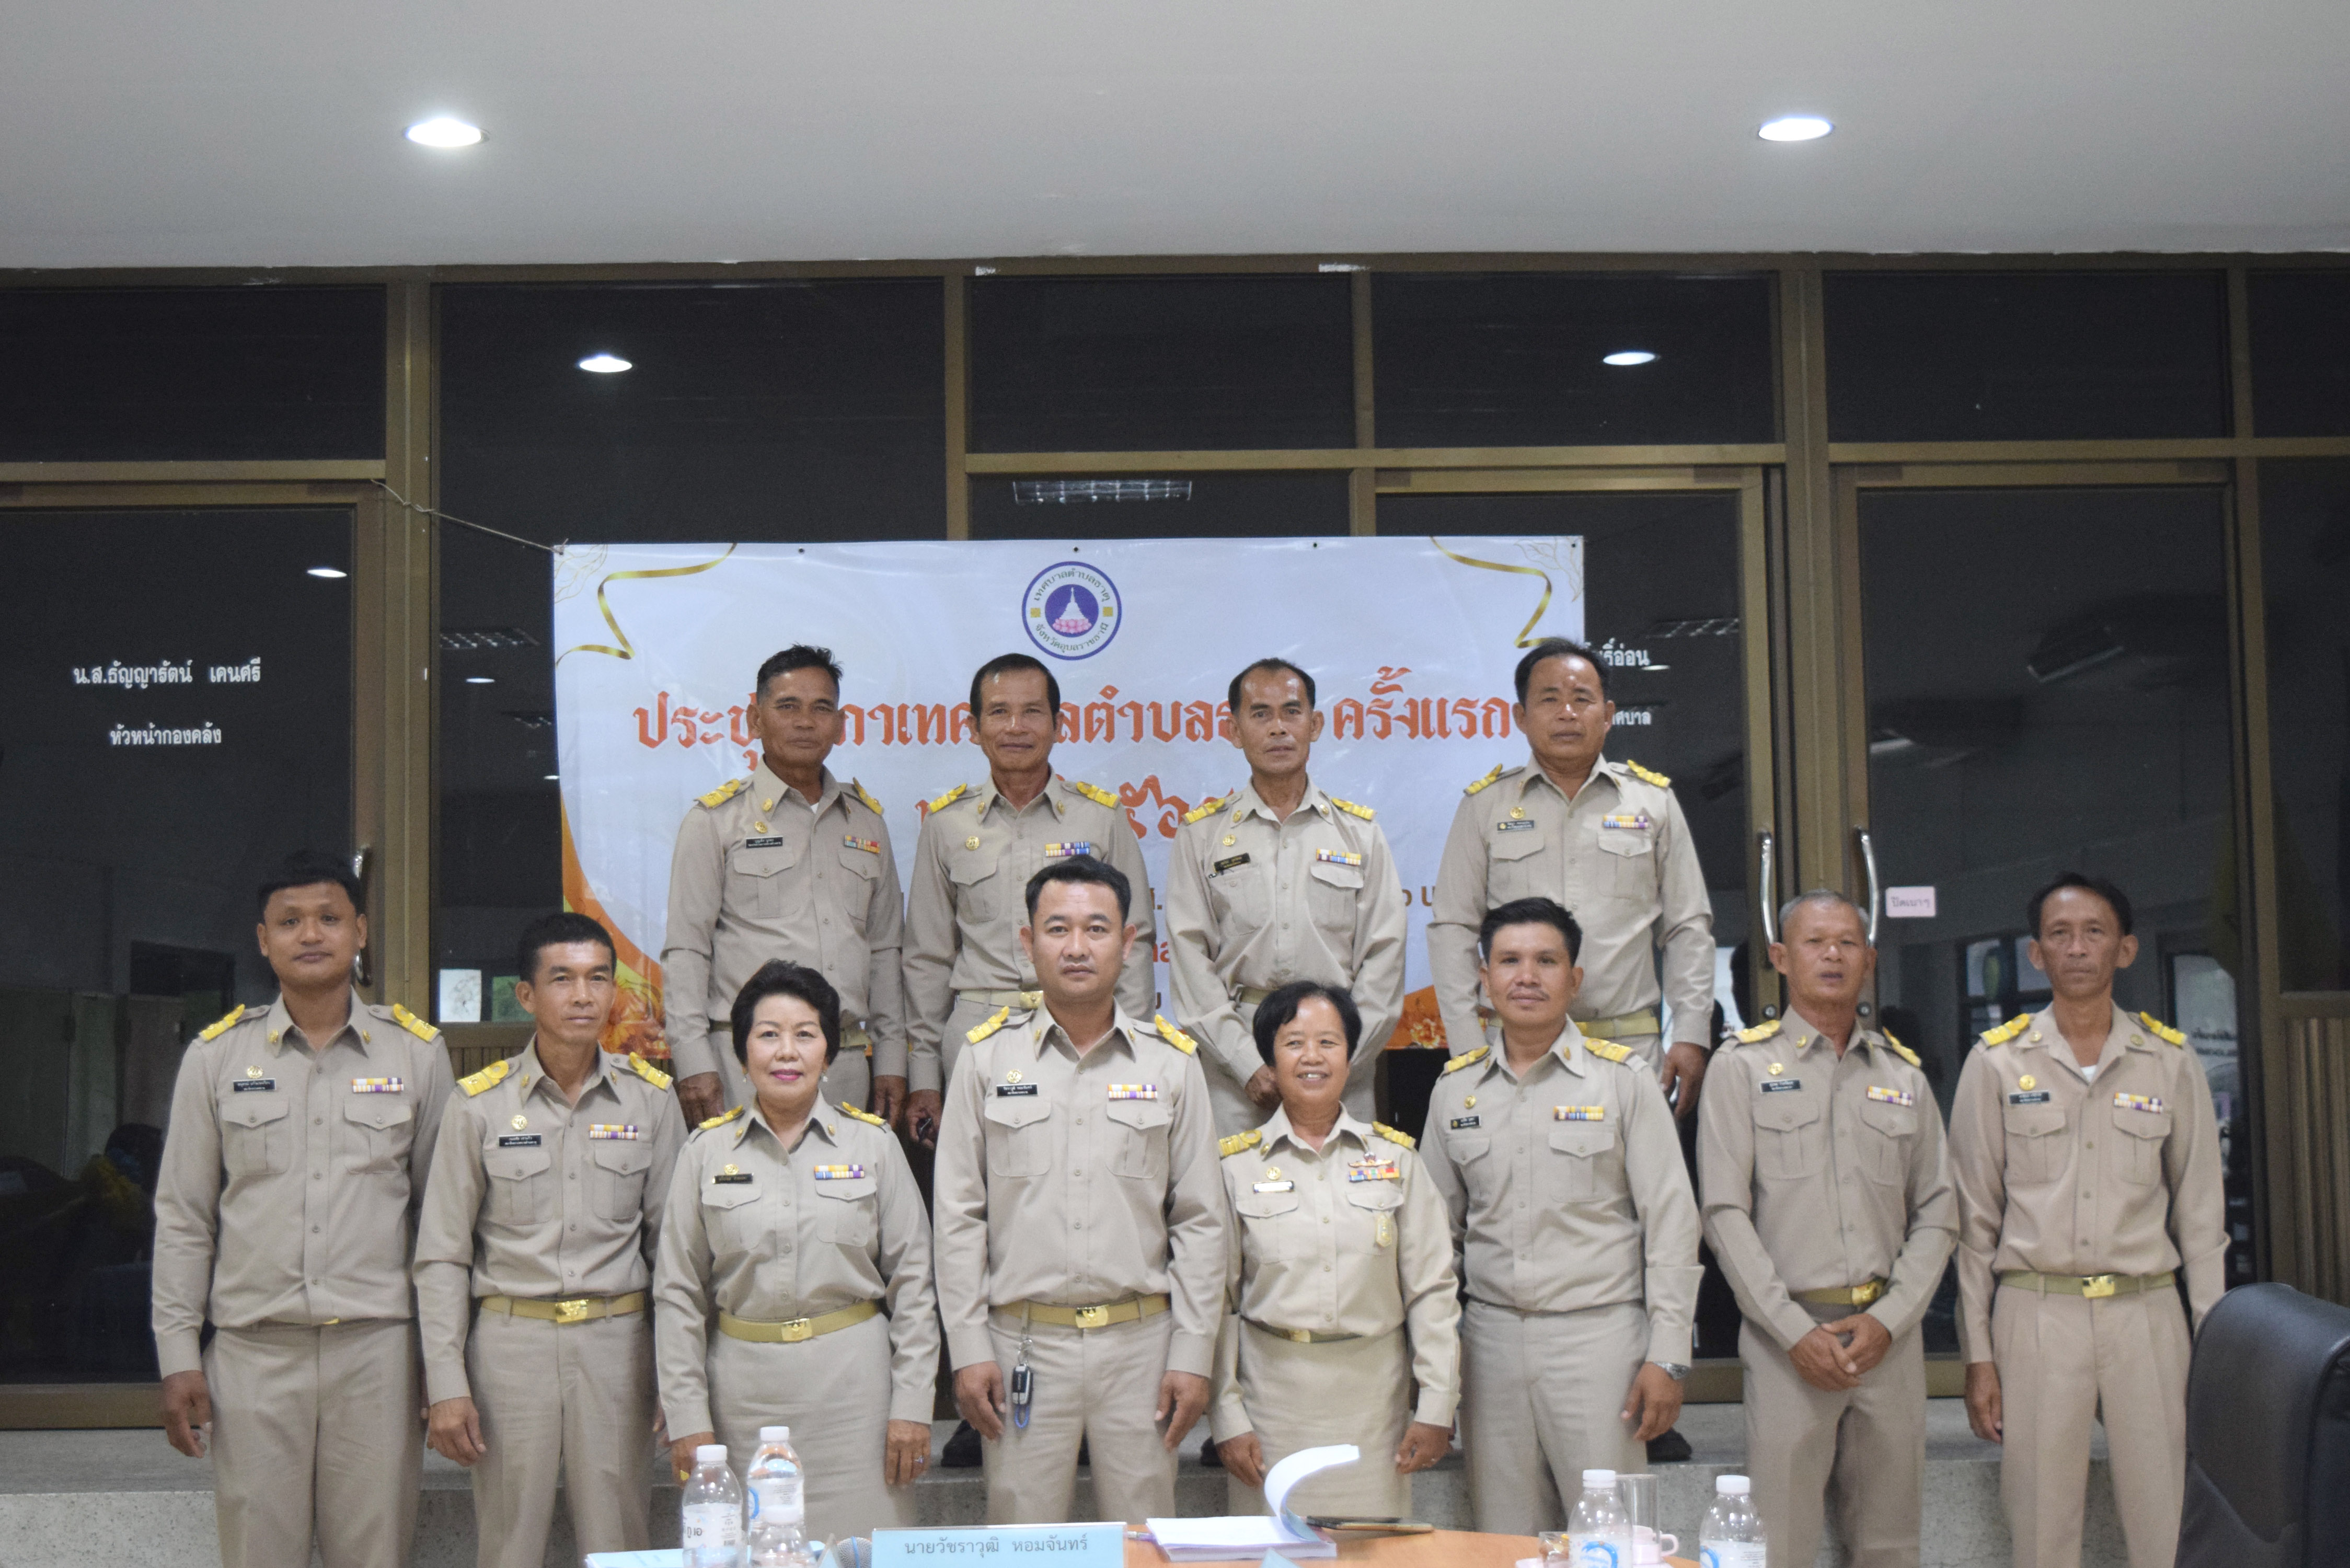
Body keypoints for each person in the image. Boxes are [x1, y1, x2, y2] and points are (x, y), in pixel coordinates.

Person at [151, 850, 454, 1568]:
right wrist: (178, 1355)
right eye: (290, 922)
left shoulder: (417, 1056)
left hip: (378, 1355)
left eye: (328, 918)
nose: (311, 934)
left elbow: (442, 1228)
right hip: (254, 1355)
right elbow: (185, 1219)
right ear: (264, 940)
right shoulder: (215, 1059)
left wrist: (443, 1367)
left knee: (375, 1554)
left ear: (361, 932)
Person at [931, 856, 1226, 1525]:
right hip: (1021, 1344)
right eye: (1057, 929)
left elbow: (1201, 1221)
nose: (1075, 947)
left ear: (1128, 944)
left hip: (1142, 1348)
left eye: (1096, 929)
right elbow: (957, 1216)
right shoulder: (984, 1059)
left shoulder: (1171, 1064)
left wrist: (1192, 1352)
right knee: (1022, 1544)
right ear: (1027, 941)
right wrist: (968, 1346)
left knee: (1145, 1538)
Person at [1950, 873, 2227, 1568]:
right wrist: (1978, 1355)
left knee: (2166, 1525)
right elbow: (1972, 1225)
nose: (2077, 948)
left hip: (2146, 1314)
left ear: (2124, 950)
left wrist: (2213, 1348)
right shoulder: (1995, 1063)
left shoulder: (2169, 1060)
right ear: (2035, 953)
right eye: (2059, 934)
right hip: (2038, 1315)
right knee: (2041, 1531)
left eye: (2094, 933)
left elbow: (2201, 1221)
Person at [412, 912, 687, 1568]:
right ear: (527, 995)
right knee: (509, 1544)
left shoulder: (650, 1101)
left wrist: (680, 1380)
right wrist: (446, 1382)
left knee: (620, 1543)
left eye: (598, 978)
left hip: (617, 1347)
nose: (583, 996)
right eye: (562, 979)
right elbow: (442, 1256)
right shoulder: (477, 1106)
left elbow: (676, 1258)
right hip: (512, 1348)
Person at [1420, 896, 1701, 1535]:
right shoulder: (1454, 1091)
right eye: (1509, 961)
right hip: (1489, 1346)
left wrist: (1668, 1355)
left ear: (1574, 980)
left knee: (1611, 1541)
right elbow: (1431, 1244)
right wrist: (1433, 1364)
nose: (1526, 976)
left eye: (1546, 961)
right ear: (1483, 978)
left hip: (1600, 1343)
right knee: (1504, 1541)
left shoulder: (1623, 1081)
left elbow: (1671, 1224)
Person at [1698, 891, 1955, 1568]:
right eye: (1814, 942)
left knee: (1890, 1546)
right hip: (1786, 1342)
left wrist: (1889, 1320)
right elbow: (1723, 1213)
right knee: (1780, 1546)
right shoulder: (1740, 1069)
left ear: (1869, 960)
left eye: (1846, 943)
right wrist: (1792, 1331)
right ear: (1781, 958)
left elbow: (1938, 1210)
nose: (1832, 955)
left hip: (1886, 1342)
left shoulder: (1903, 1075)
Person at [655, 960, 940, 1541]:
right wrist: (688, 1417)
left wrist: (912, 1404)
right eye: (768, 1034)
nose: (787, 1051)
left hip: (855, 1399)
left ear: (828, 1054)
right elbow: (678, 1295)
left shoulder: (873, 1146)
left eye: (805, 1034)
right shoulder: (705, 1153)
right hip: (741, 1401)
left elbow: (914, 1283)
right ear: (741, 1055)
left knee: (860, 1552)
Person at [1427, 637, 1714, 1115]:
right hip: (1514, 1050)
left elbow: (1688, 927)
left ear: (1608, 714)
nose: (1567, 713)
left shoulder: (1653, 803)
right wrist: (1467, 1045)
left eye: (1582, 699)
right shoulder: (1485, 807)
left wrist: (1690, 1034)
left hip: (1627, 1048)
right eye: (1549, 699)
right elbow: (1453, 929)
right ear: (1521, 717)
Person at [1209, 981, 1458, 1518]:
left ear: (1350, 1057)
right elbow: (1217, 1304)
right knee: (1272, 1551)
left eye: (1328, 1042)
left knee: (1373, 1551)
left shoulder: (1398, 1162)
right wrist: (1226, 1415)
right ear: (1269, 1062)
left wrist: (1437, 1404)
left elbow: (1432, 1293)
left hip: (1376, 1410)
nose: (1312, 1057)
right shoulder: (1234, 1169)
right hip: (1271, 1407)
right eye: (1293, 1043)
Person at [902, 652, 1158, 1144]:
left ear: (1059, 725)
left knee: (1087, 1169)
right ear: (974, 727)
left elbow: (1135, 944)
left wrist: (1135, 1050)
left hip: (1084, 1028)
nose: (1016, 727)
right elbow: (927, 959)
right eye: (999, 712)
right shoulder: (946, 824)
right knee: (979, 1178)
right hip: (979, 1032)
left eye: (1032, 712)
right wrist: (924, 1078)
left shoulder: (1100, 818)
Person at [662, 644, 909, 1129]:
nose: (805, 722)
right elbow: (687, 949)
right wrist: (693, 1061)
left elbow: (884, 951)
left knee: (845, 1179)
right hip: (745, 1062)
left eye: (822, 708)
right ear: (755, 720)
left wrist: (893, 1059)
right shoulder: (715, 821)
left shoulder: (867, 823)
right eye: (788, 706)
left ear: (840, 725)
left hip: (846, 1063)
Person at [1167, 658, 1408, 1134]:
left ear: (1314, 725)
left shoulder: (1359, 834)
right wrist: (1245, 1064)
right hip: (1238, 1070)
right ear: (1234, 730)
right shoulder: (1202, 837)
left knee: (1346, 1184)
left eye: (1292, 712)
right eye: (1260, 714)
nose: (1278, 727)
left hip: (1341, 1061)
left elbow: (1385, 956)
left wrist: (1339, 1062)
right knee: (1233, 1182)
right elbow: (1190, 960)